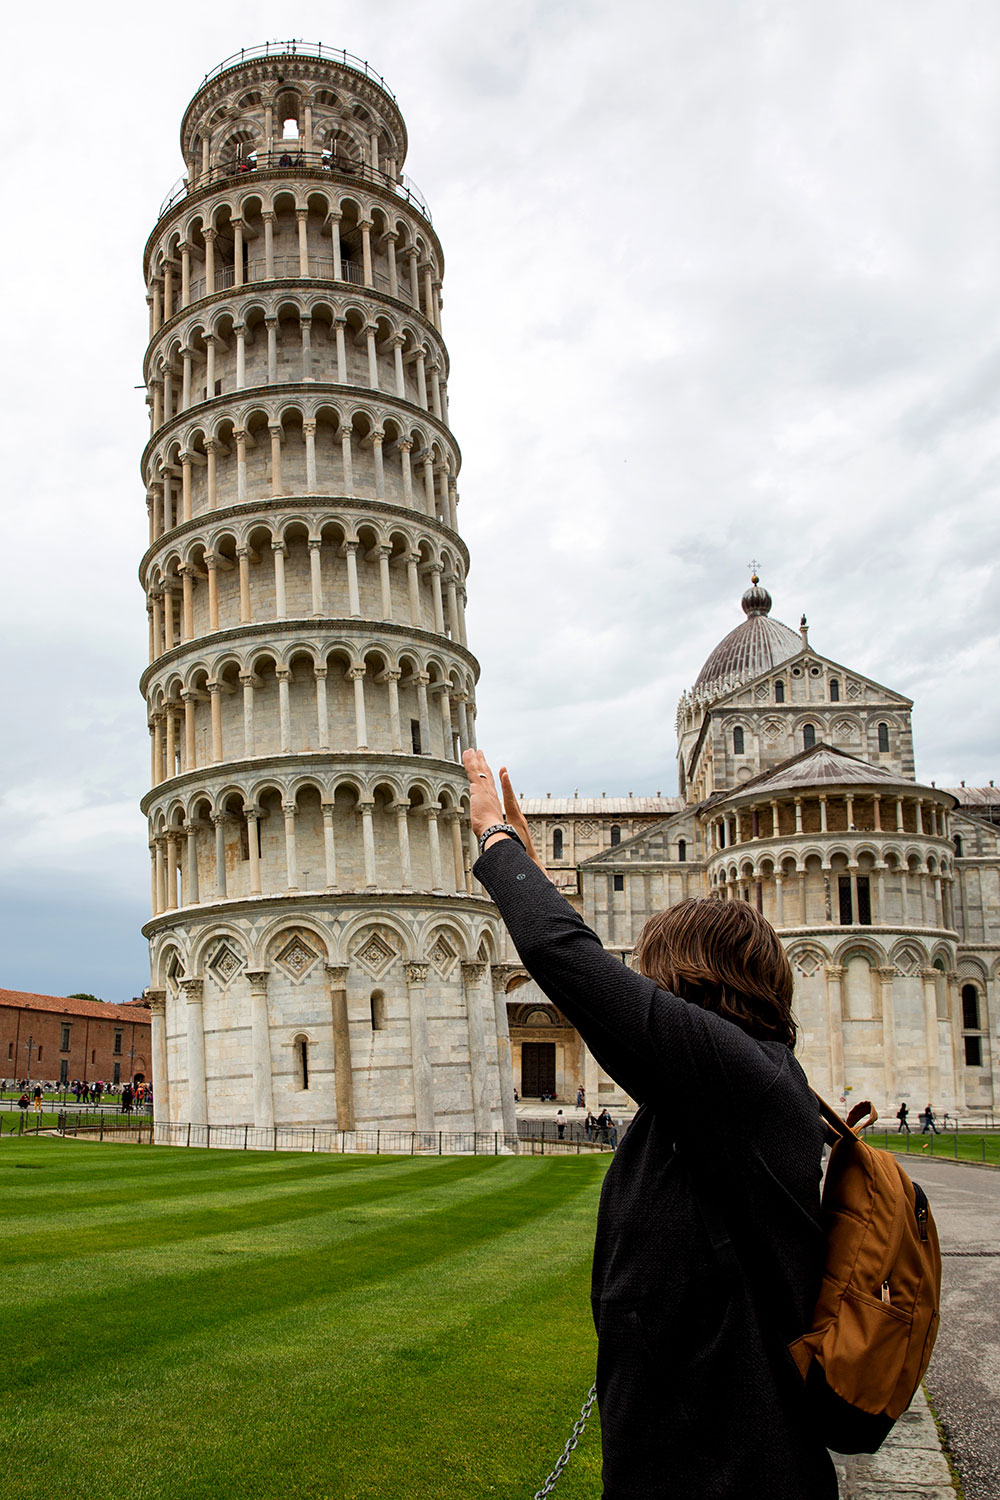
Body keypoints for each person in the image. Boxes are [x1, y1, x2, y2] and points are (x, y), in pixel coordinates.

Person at [463, 748, 836, 1500]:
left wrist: (497, 844)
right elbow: (597, 993)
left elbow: (571, 963)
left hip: (730, 1471)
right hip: (688, 1451)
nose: (641, 987)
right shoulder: (719, 1089)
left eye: (652, 972)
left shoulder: (740, 1078)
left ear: (697, 979)